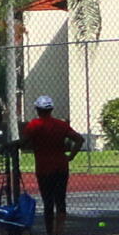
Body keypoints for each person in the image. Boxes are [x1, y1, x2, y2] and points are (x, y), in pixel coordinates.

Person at [20, 95, 83, 227]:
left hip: (43, 168)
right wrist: (71, 156)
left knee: (48, 202)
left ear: (37, 109)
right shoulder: (61, 125)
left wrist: (10, 145)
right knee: (60, 201)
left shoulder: (34, 125)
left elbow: (23, 142)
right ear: (51, 109)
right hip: (61, 167)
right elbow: (79, 139)